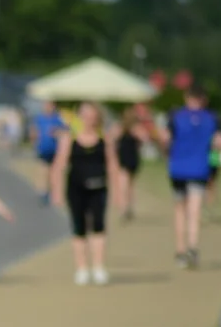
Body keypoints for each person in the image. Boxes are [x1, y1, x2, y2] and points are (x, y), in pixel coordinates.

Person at [157, 84, 221, 269]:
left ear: (187, 98)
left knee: (180, 209)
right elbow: (219, 144)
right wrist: (214, 169)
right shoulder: (213, 118)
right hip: (200, 168)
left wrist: (167, 155)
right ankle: (192, 247)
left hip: (178, 168)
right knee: (194, 210)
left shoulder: (175, 116)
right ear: (204, 99)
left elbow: (164, 138)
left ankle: (180, 250)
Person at [51, 102, 120, 286]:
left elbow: (113, 165)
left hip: (99, 187)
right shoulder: (69, 138)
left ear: (97, 117)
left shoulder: (105, 139)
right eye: (85, 115)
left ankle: (98, 267)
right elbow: (59, 165)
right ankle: (81, 268)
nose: (89, 118)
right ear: (79, 117)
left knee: (98, 226)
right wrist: (56, 191)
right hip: (76, 188)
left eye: (92, 115)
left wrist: (118, 192)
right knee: (78, 226)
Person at [29, 101, 68, 204]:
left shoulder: (58, 118)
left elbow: (66, 131)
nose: (47, 107)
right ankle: (43, 192)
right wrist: (34, 142)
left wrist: (57, 132)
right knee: (43, 171)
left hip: (55, 149)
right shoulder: (40, 118)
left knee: (53, 172)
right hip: (43, 149)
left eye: (50, 106)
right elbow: (34, 131)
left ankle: (52, 192)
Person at [112, 106, 144, 221]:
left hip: (133, 159)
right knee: (123, 185)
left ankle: (129, 207)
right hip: (123, 159)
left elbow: (143, 140)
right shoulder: (119, 127)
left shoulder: (137, 129)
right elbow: (113, 140)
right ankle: (123, 208)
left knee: (130, 185)